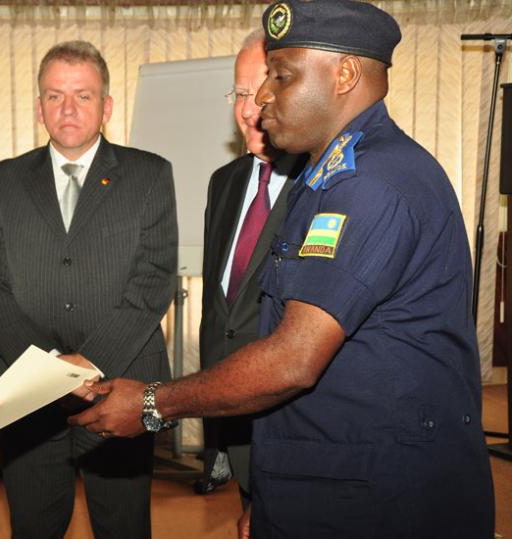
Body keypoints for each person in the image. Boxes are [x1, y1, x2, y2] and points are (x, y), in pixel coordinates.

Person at [70, 1, 496, 537]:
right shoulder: (331, 177)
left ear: (344, 75)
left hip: (382, 493)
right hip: (334, 476)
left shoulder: (369, 185)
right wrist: (274, 493)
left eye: (281, 76)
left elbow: (294, 359)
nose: (263, 98)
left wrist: (155, 402)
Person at [0, 40, 177, 538]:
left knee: (123, 526)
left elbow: (153, 280)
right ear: (40, 106)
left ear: (106, 106)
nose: (68, 108)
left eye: (83, 96)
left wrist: (87, 363)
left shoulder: (149, 174)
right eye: (55, 95)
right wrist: (49, 370)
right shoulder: (3, 181)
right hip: (27, 391)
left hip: (119, 386)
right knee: (33, 526)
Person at [196, 29, 305, 505]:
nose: (248, 107)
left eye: (264, 88)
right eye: (240, 92)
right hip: (229, 413)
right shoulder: (224, 182)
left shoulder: (324, 187)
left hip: (292, 424)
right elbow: (220, 309)